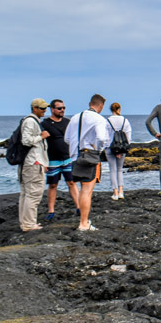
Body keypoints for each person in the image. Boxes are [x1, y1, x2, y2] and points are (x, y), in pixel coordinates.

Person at [64, 94, 109, 231]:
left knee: (80, 187)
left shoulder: (75, 118)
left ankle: (83, 220)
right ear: (100, 105)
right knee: (87, 190)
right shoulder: (99, 119)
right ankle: (83, 223)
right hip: (89, 155)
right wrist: (99, 150)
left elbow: (67, 138)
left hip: (75, 156)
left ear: (90, 103)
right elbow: (101, 138)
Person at [42, 99, 80, 220]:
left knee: (72, 182)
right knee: (53, 184)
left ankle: (79, 207)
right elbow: (42, 142)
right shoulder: (45, 123)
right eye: (59, 108)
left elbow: (74, 138)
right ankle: (51, 210)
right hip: (52, 160)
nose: (62, 110)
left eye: (63, 108)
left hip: (68, 158)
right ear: (52, 109)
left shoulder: (68, 122)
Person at [18, 98, 51, 232]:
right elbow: (26, 141)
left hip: (30, 162)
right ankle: (29, 224)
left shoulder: (30, 121)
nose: (44, 111)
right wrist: (41, 137)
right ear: (34, 108)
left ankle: (26, 222)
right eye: (42, 108)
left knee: (26, 193)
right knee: (33, 194)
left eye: (45, 108)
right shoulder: (31, 122)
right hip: (33, 163)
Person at [105, 102, 132, 201]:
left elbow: (105, 136)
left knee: (112, 170)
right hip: (122, 147)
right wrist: (121, 150)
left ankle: (115, 192)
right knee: (120, 170)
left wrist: (112, 149)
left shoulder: (107, 121)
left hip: (110, 148)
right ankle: (121, 192)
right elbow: (128, 136)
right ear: (119, 109)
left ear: (111, 110)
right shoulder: (125, 120)